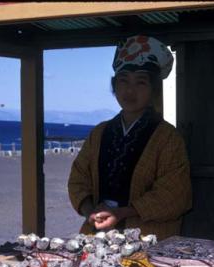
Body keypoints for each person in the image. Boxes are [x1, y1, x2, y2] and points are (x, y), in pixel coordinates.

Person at [68, 35, 192, 240]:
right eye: (123, 80)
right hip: (98, 236)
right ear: (114, 85)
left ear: (154, 89)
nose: (130, 90)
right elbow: (78, 179)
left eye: (141, 82)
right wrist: (90, 212)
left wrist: (122, 213)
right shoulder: (99, 133)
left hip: (149, 239)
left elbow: (174, 195)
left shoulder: (168, 138)